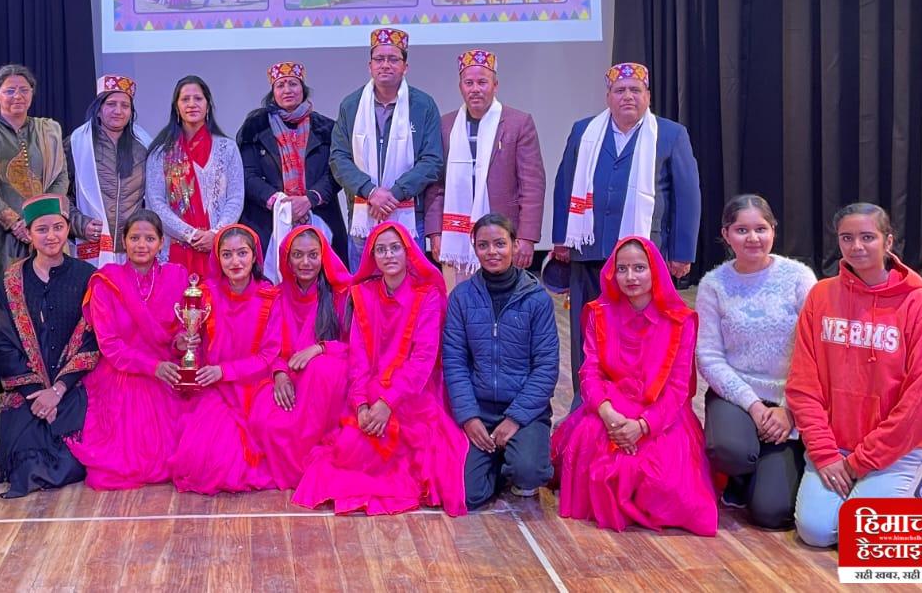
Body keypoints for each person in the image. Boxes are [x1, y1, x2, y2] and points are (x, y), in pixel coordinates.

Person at [787, 203, 922, 548]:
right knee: (815, 533)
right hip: (835, 445)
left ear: (888, 241)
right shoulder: (821, 295)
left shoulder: (918, 303)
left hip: (895, 449)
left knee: (861, 536)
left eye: (867, 237)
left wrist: (865, 460)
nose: (856, 246)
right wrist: (825, 453)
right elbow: (803, 383)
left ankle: (919, 483)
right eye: (847, 238)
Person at [549, 62, 701, 407]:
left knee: (641, 329)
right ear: (608, 97)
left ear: (648, 96)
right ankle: (586, 398)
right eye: (620, 90)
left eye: (635, 90)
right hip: (589, 250)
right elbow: (564, 184)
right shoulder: (583, 131)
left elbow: (687, 195)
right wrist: (561, 238)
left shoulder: (671, 134)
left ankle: (641, 397)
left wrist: (682, 252)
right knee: (588, 326)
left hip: (645, 258)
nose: (627, 96)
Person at [293, 222, 467, 516]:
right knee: (348, 449)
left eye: (395, 248)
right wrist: (361, 404)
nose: (388, 256)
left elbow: (423, 361)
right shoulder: (363, 294)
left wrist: (388, 402)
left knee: (402, 456)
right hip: (371, 393)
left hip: (412, 397)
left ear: (408, 252)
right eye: (381, 250)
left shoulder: (427, 295)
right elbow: (358, 357)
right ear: (372, 256)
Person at [550, 236, 716, 536]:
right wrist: (607, 413)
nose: (630, 277)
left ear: (655, 271)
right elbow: (589, 371)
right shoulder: (599, 312)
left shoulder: (681, 321)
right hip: (610, 408)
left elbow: (678, 388)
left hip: (660, 414)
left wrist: (643, 426)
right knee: (591, 443)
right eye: (622, 269)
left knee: (665, 486)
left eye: (639, 268)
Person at [696, 194, 817, 529]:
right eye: (742, 230)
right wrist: (753, 405)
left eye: (761, 229)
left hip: (791, 397)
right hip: (736, 394)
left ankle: (768, 469)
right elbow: (708, 356)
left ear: (773, 230)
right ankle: (741, 471)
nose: (753, 238)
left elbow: (816, 350)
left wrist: (789, 408)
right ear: (726, 234)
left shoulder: (799, 277)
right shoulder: (713, 285)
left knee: (772, 513)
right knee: (730, 450)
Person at [67, 210, 192, 489]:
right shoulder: (106, 281)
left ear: (161, 242)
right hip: (121, 370)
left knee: (191, 449)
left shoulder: (177, 276)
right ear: (123, 241)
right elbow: (109, 345)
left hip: (167, 370)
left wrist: (181, 342)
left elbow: (178, 331)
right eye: (134, 238)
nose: (141, 245)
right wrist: (152, 367)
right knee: (126, 460)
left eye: (149, 238)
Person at [442, 214, 559, 510]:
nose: (492, 252)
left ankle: (516, 455)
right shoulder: (461, 298)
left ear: (515, 245)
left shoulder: (537, 299)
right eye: (483, 245)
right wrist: (469, 417)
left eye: (499, 244)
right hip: (479, 410)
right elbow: (454, 363)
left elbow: (546, 367)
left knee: (529, 474)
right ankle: (496, 459)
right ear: (474, 248)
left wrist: (515, 418)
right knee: (468, 495)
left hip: (524, 411)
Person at [0, 196, 100, 496]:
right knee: (25, 459)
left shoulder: (86, 276)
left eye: (58, 227)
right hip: (27, 391)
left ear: (67, 229)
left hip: (72, 386)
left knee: (75, 456)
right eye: (41, 229)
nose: (51, 236)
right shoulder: (11, 281)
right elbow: (4, 343)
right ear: (28, 233)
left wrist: (58, 390)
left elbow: (92, 338)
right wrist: (38, 395)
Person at [168, 225, 283, 494]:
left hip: (255, 385)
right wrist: (183, 343)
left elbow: (269, 354)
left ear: (254, 256)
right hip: (216, 388)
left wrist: (224, 371)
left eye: (242, 253)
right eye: (227, 254)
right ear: (217, 258)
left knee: (263, 439)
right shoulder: (204, 293)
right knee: (199, 460)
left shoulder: (270, 296)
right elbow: (182, 337)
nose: (235, 262)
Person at [328, 28, 444, 269]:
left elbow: (432, 160)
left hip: (409, 216)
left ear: (405, 67)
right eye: (379, 59)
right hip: (363, 215)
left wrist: (395, 194)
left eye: (393, 59)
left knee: (409, 285)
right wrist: (370, 192)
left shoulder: (423, 105)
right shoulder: (351, 105)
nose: (385, 65)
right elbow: (339, 158)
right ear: (369, 66)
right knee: (364, 285)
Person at [425, 50, 546, 277]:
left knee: (504, 298)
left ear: (495, 85)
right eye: (469, 83)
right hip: (455, 238)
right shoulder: (445, 125)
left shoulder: (518, 123)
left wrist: (527, 237)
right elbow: (436, 185)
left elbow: (532, 185)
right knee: (459, 297)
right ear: (460, 87)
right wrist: (435, 233)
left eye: (482, 82)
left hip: (504, 237)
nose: (475, 89)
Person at [250, 225, 353, 489]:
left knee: (322, 369)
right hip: (286, 376)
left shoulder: (342, 295)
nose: (305, 262)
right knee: (265, 420)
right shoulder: (276, 296)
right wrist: (279, 373)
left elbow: (357, 347)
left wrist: (320, 348)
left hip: (325, 383)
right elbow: (268, 346)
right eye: (297, 255)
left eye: (312, 255)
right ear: (287, 259)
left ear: (323, 256)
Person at [236, 61, 347, 265]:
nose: (287, 90)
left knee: (324, 276)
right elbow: (247, 174)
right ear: (273, 92)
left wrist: (309, 199)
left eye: (293, 84)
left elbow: (336, 171)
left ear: (303, 89)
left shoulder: (326, 128)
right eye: (280, 85)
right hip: (267, 220)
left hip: (319, 214)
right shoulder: (255, 127)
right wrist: (281, 203)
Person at [0, 64, 69, 284]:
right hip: (2, 235)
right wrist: (15, 223)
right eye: (10, 91)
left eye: (24, 90)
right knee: (6, 295)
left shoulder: (48, 129)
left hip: (46, 232)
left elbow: (60, 176)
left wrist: (41, 219)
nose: (18, 96)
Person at [145, 75, 243, 280]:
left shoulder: (227, 148)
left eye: (198, 98)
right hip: (175, 249)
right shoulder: (161, 152)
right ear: (176, 107)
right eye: (185, 99)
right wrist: (191, 235)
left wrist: (215, 234)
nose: (192, 104)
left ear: (208, 106)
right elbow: (155, 202)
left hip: (219, 247)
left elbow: (235, 197)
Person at [65, 75, 150, 267]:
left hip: (134, 247)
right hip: (91, 246)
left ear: (131, 112)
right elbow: (60, 195)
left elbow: (154, 198)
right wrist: (81, 224)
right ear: (98, 109)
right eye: (111, 104)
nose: (118, 111)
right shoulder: (76, 144)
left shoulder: (145, 145)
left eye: (125, 105)